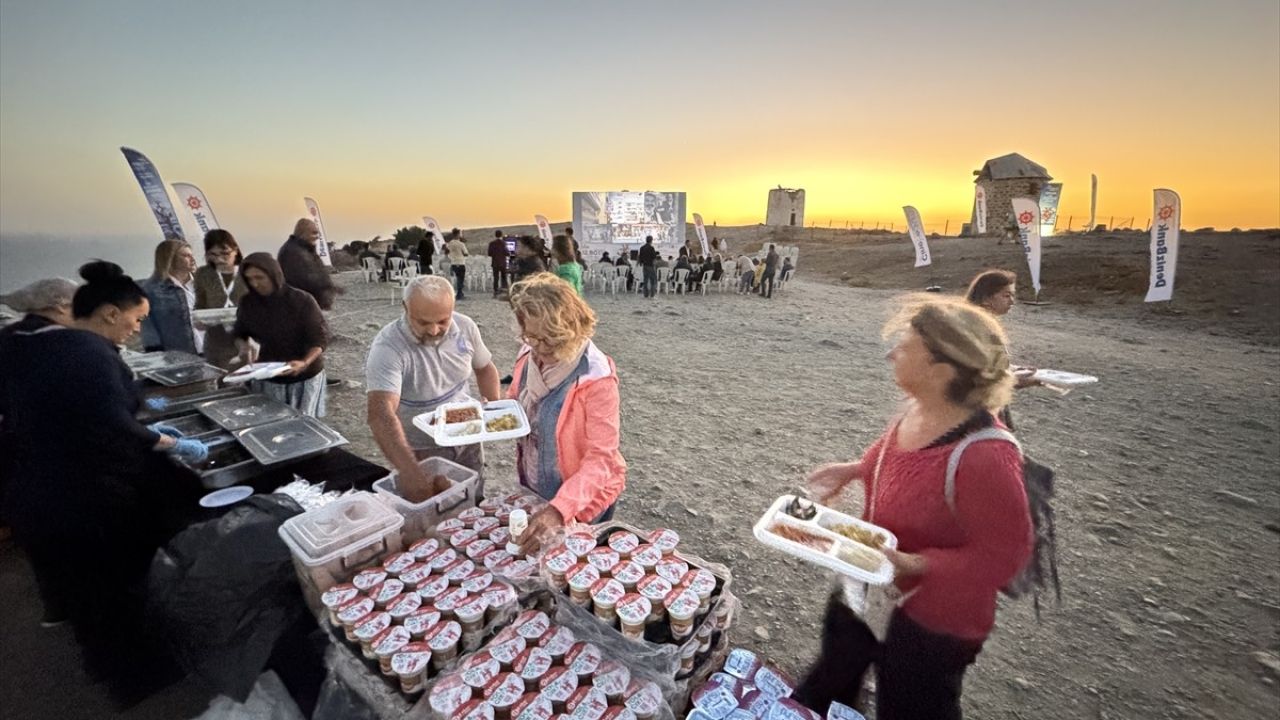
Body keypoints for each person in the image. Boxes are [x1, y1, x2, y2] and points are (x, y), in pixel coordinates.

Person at [797, 295, 1032, 720]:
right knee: (832, 675)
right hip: (869, 576)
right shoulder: (918, 406)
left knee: (912, 704)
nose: (890, 354)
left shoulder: (986, 456)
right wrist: (855, 469)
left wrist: (915, 563)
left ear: (940, 370)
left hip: (934, 620)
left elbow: (1006, 556)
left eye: (904, 348)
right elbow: (895, 455)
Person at [0, 261, 205, 705]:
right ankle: (138, 680)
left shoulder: (16, 342)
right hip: (84, 496)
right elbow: (111, 423)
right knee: (115, 590)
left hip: (31, 489)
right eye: (136, 319)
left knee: (82, 590)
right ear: (111, 313)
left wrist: (132, 398)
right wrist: (166, 442)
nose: (137, 329)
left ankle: (100, 659)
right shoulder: (85, 351)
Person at [505, 275, 626, 554]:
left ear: (571, 330)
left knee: (574, 564)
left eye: (550, 339)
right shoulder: (529, 354)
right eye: (531, 336)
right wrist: (489, 413)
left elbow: (601, 458)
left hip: (583, 497)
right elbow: (514, 399)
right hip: (536, 481)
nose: (540, 348)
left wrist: (559, 510)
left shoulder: (596, 377)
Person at [366, 275, 501, 495]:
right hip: (422, 447)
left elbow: (485, 368)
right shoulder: (388, 346)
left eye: (442, 321)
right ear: (405, 308)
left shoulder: (465, 327)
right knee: (435, 513)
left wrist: (494, 410)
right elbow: (380, 414)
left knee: (473, 497)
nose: (434, 330)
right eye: (423, 322)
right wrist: (410, 471)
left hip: (468, 436)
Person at [234, 253, 329, 416]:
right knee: (270, 421)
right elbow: (240, 332)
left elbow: (319, 340)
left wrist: (304, 363)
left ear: (274, 275)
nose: (255, 283)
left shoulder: (302, 300)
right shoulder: (248, 302)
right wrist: (244, 346)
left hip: (303, 375)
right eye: (249, 279)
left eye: (260, 277)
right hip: (268, 372)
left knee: (302, 423)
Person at [194, 229, 249, 368]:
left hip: (246, 338)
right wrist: (199, 320)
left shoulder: (247, 272)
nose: (219, 259)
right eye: (213, 254)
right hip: (216, 340)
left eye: (225, 253)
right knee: (221, 381)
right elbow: (200, 305)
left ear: (235, 250)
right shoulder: (203, 274)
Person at [140, 239, 200, 354]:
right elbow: (146, 324)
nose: (193, 259)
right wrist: (154, 351)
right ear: (170, 258)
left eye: (192, 255)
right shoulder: (151, 290)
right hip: (180, 354)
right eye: (186, 256)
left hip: (213, 351)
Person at [278, 218, 340, 311]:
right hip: (301, 305)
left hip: (309, 303)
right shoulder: (293, 252)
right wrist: (327, 288)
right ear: (303, 233)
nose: (317, 236)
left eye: (318, 233)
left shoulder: (305, 249)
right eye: (314, 233)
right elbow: (304, 280)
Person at [445, 229, 469, 299]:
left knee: (456, 278)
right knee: (460, 279)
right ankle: (459, 293)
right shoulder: (461, 244)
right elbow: (466, 253)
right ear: (458, 234)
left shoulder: (450, 243)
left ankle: (458, 293)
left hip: (453, 263)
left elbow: (446, 251)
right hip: (461, 262)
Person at [488, 230, 510, 297]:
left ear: (495, 235)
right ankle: (504, 291)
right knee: (503, 277)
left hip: (495, 263)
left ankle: (495, 292)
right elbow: (507, 253)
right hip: (503, 263)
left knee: (496, 278)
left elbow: (489, 254)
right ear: (501, 235)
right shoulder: (503, 243)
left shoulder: (491, 243)